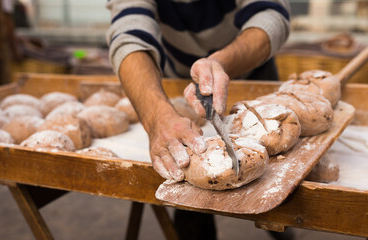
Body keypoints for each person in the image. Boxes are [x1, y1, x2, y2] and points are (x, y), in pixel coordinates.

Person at [106, 1, 291, 239]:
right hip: (180, 80)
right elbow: (129, 36)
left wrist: (221, 62)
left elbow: (271, 14)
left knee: (278, 192)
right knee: (192, 186)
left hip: (251, 69)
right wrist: (156, 116)